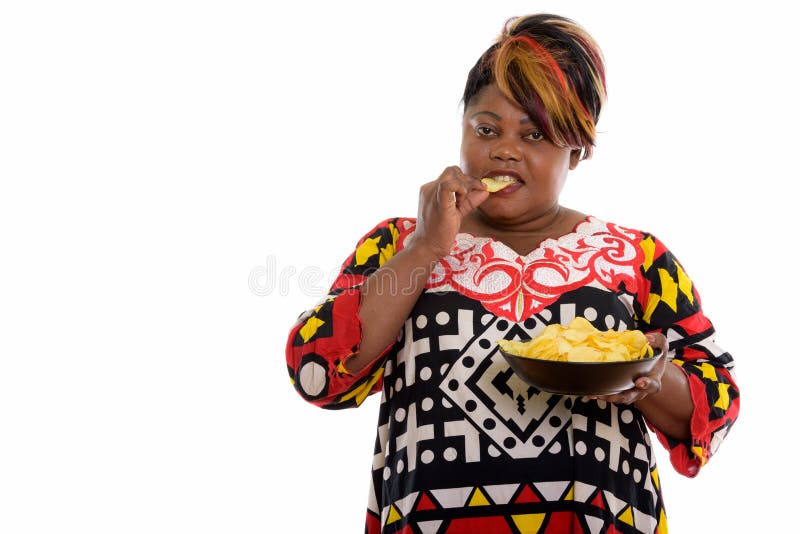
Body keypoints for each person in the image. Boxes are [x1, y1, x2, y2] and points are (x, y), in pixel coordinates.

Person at [285, 13, 739, 534]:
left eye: (535, 135)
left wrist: (648, 377)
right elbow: (316, 371)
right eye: (486, 129)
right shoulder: (396, 243)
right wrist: (427, 247)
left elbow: (717, 404)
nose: (505, 149)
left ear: (579, 148)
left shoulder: (637, 256)